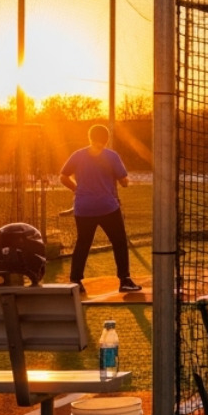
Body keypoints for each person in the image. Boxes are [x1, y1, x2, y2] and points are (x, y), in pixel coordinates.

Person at [59, 123, 140, 294]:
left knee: (83, 243)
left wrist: (77, 189)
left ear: (90, 137)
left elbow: (63, 177)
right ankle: (124, 280)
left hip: (83, 208)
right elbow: (124, 182)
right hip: (107, 207)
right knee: (119, 241)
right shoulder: (111, 156)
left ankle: (75, 281)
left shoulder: (78, 155)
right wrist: (124, 181)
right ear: (106, 139)